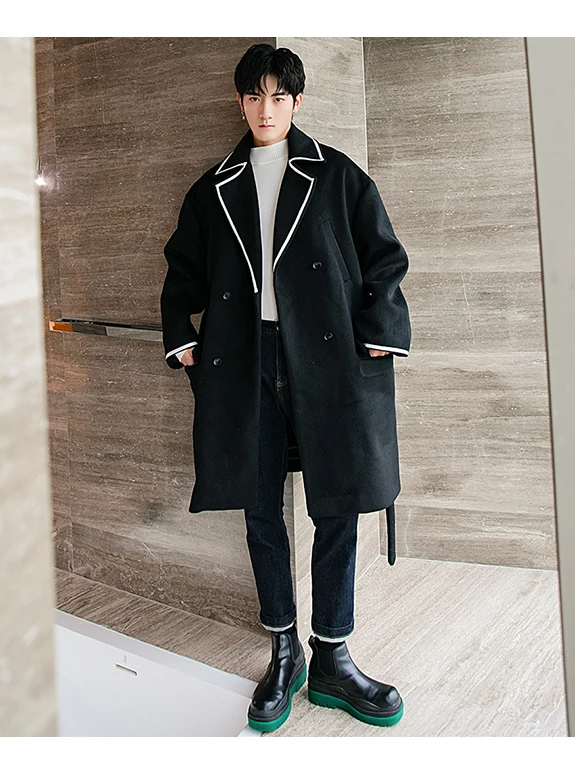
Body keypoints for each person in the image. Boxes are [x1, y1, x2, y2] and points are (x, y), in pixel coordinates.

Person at [161, 43, 410, 732]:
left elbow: (386, 257)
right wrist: (181, 334)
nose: (265, 110)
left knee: (339, 502)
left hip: (327, 358)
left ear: (296, 102)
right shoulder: (214, 187)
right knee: (259, 505)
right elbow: (181, 269)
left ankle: (332, 654)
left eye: (278, 97)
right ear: (240, 102)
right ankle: (283, 650)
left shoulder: (336, 175)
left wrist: (382, 325)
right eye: (254, 96)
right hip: (245, 358)